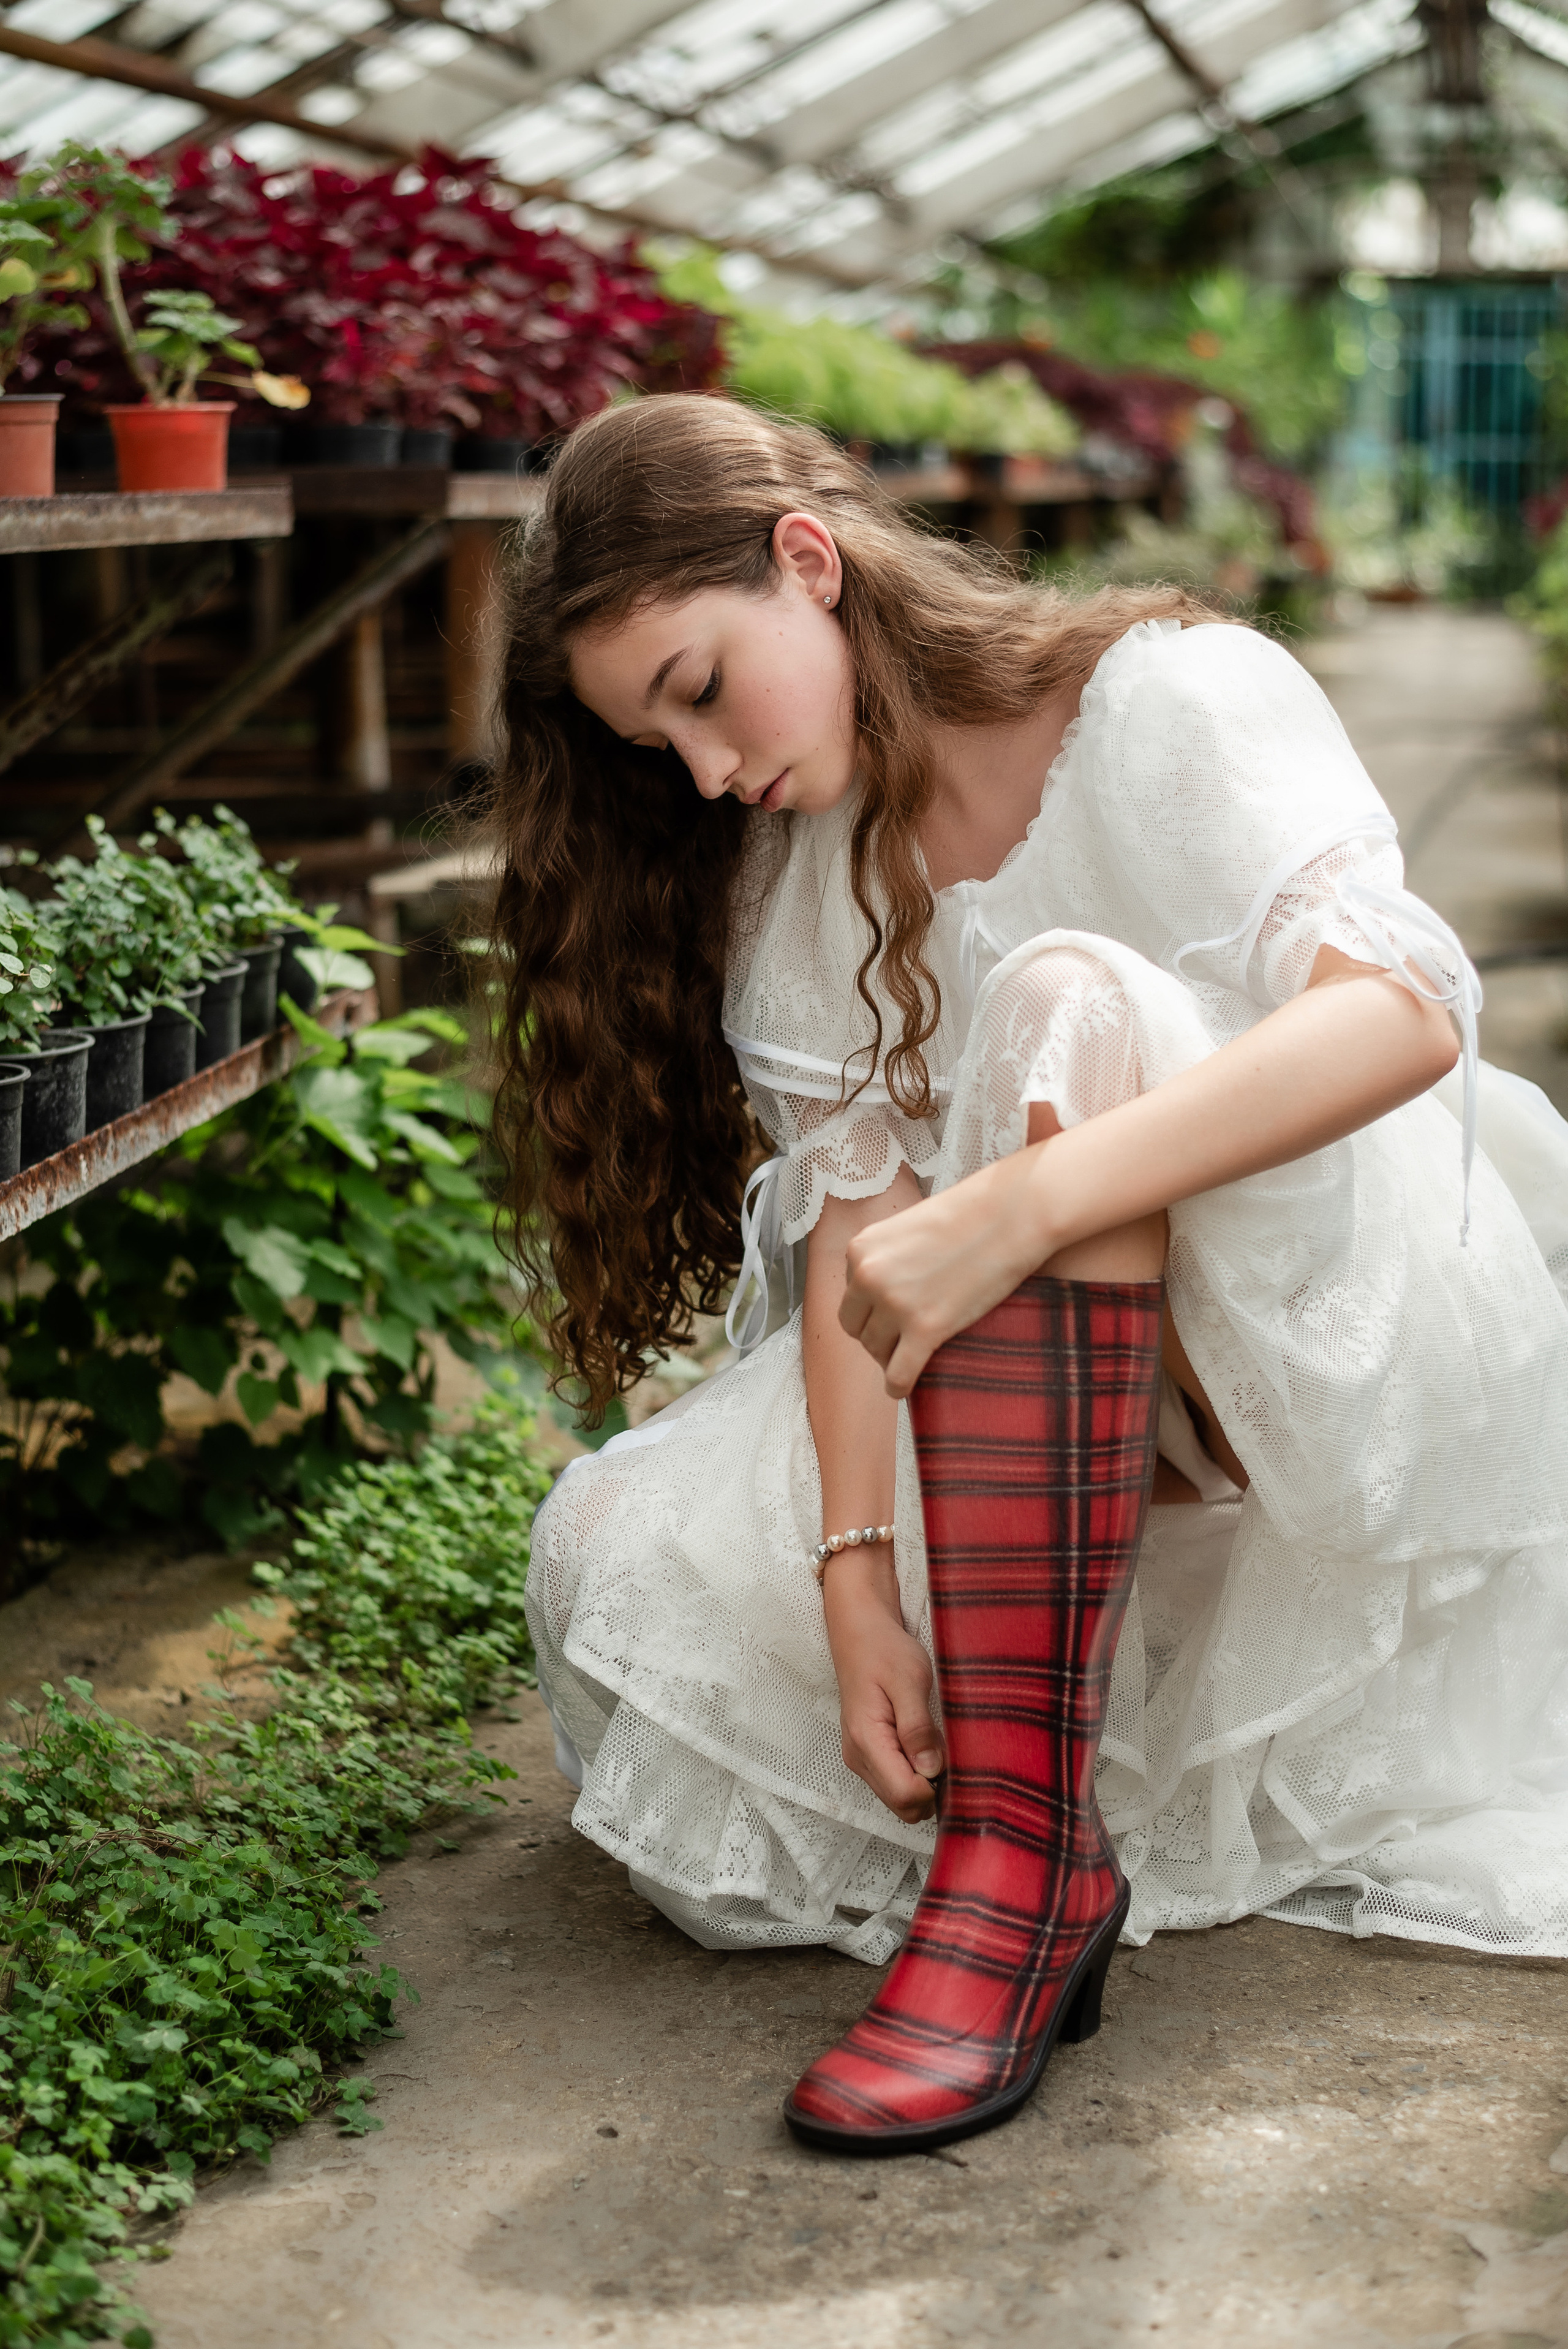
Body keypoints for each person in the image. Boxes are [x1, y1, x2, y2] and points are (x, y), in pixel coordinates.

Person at [494, 393, 1568, 2157]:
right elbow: (856, 1225)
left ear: (808, 562)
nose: (699, 771)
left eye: (698, 690)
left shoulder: (1165, 697)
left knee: (1068, 993)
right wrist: (851, 1581)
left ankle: (1023, 1858)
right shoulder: (805, 862)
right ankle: (1032, 1764)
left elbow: (1408, 1008)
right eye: (653, 744)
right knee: (626, 1576)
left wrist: (1019, 1199)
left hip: (1320, 1330)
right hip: (1063, 1401)